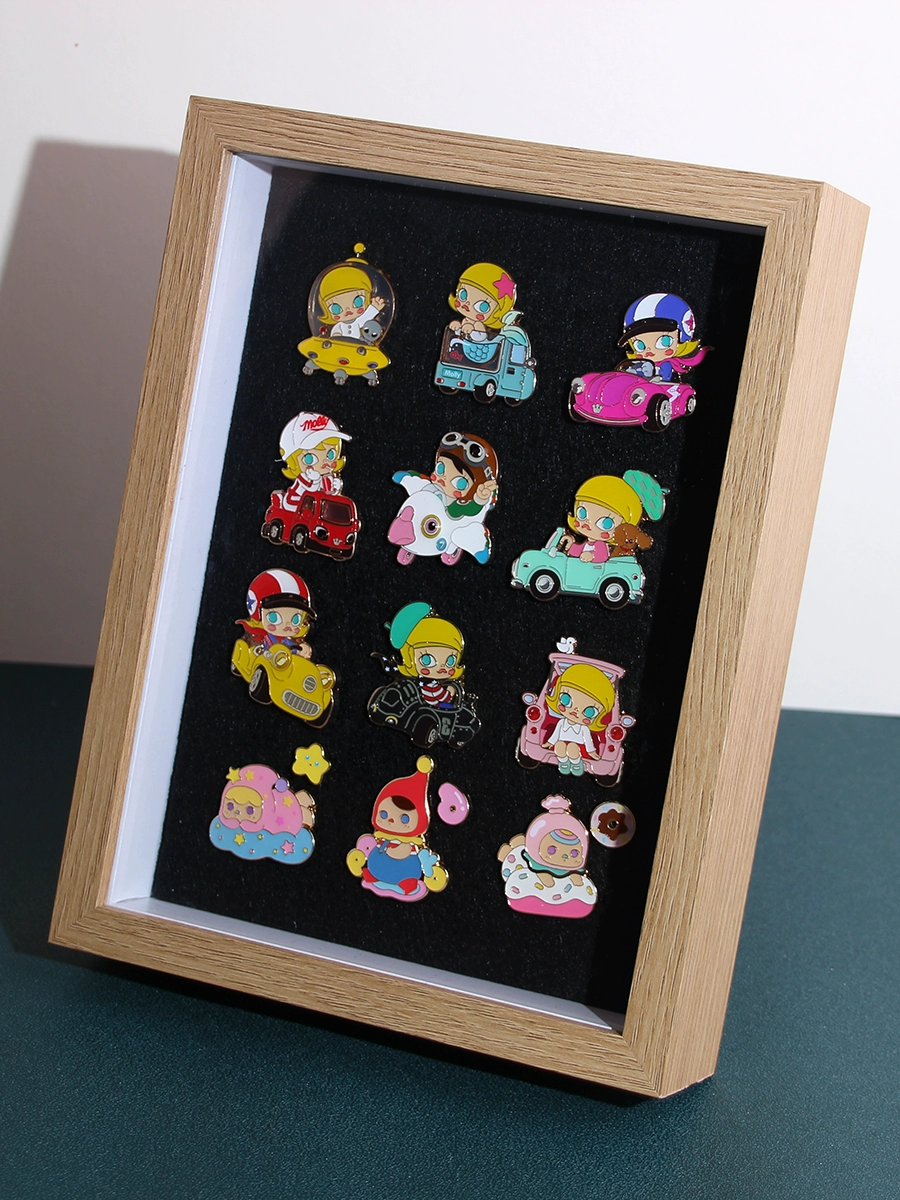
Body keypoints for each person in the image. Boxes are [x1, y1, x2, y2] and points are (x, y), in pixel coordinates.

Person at [542, 663, 616, 776]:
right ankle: (564, 763)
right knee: (559, 745)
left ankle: (576, 764)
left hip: (580, 749)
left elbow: (588, 741)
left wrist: (592, 752)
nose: (575, 711)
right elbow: (555, 736)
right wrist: (548, 743)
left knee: (572, 747)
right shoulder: (561, 722)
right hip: (561, 745)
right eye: (566, 699)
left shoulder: (584, 728)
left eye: (589, 711)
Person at [618, 292, 706, 382]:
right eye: (639, 345)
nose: (649, 351)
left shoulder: (666, 365)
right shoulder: (639, 365)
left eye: (664, 341)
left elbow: (664, 378)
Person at [275, 412, 350, 512]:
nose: (324, 461)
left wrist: (336, 487)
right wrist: (315, 481)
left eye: (331, 454)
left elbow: (329, 495)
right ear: (293, 461)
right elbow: (309, 492)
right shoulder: (304, 478)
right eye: (310, 458)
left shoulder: (328, 477)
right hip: (294, 505)